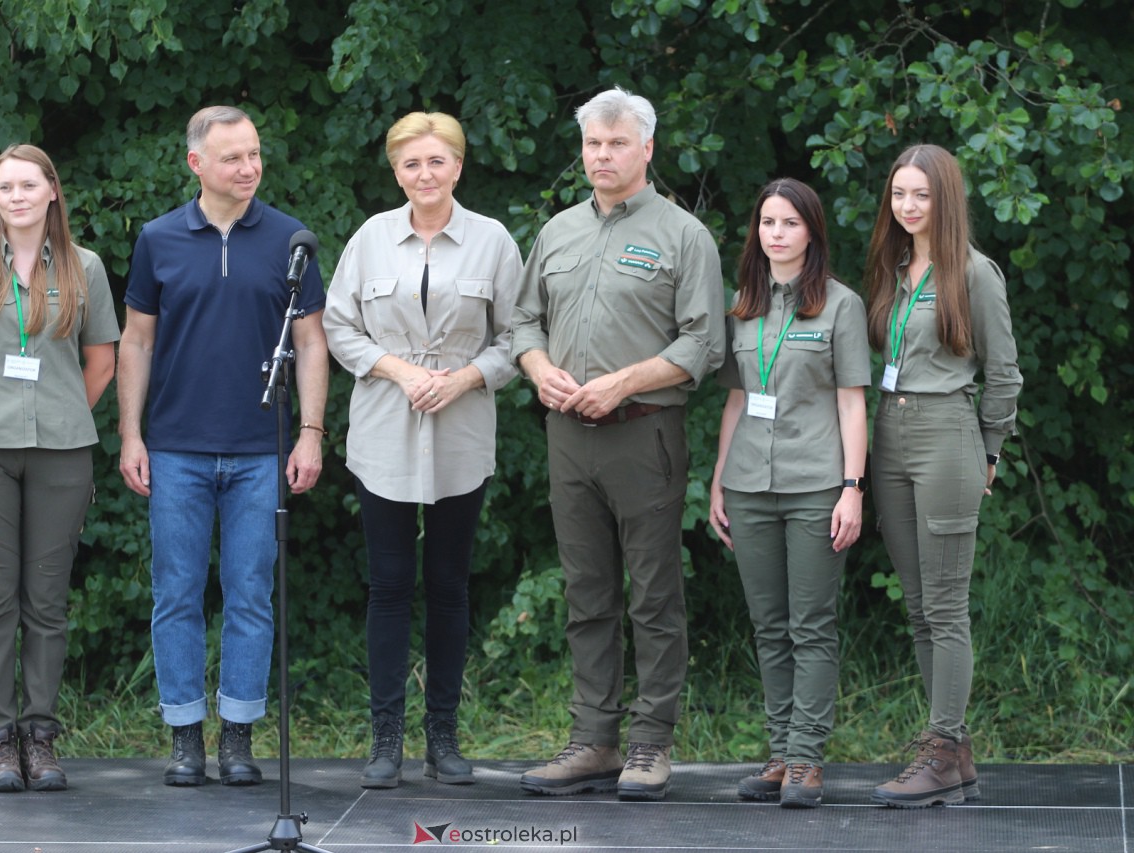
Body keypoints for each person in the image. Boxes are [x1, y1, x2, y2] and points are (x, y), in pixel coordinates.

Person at [511, 87, 726, 802]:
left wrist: (624, 382)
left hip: (644, 435)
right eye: (593, 144)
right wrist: (539, 370)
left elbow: (703, 342)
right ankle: (593, 740)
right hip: (568, 436)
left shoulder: (682, 236)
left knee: (654, 597)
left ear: (647, 149)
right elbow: (523, 323)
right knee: (586, 593)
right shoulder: (558, 231)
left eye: (616, 143)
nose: (601, 155)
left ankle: (650, 743)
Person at [117, 105, 329, 787]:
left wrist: (312, 432)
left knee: (250, 595)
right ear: (196, 164)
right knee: (176, 593)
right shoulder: (158, 239)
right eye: (233, 156)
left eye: (255, 153)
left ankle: (237, 733)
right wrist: (129, 433)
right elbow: (137, 340)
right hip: (176, 447)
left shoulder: (290, 239)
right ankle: (185, 735)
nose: (248, 167)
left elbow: (311, 341)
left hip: (260, 450)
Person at [323, 111, 521, 789]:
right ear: (395, 171)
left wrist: (465, 377)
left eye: (436, 162)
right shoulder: (372, 238)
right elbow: (338, 324)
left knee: (448, 584)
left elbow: (516, 337)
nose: (424, 174)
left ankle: (443, 736)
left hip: (463, 429)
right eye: (411, 164)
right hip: (384, 425)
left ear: (458, 166)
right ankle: (385, 739)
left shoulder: (493, 241)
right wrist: (399, 370)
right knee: (388, 585)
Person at [0, 144, 119, 793]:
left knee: (46, 600)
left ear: (52, 192)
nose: (16, 196)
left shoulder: (84, 266)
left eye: (28, 185)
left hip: (62, 454)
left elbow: (102, 363)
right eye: (5, 186)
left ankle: (40, 735)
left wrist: (58, 417)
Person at [864, 144, 1022, 807]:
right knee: (919, 606)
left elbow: (1004, 372)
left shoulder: (974, 273)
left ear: (945, 199)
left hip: (947, 435)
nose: (907, 206)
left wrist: (988, 449)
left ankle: (940, 743)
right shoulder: (895, 267)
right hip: (889, 436)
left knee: (947, 605)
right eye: (899, 193)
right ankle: (952, 756)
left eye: (921, 195)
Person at [708, 179, 870, 809]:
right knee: (768, 626)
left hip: (815, 486)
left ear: (812, 232)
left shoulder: (839, 305)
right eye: (767, 223)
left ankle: (807, 758)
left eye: (789, 224)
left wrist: (852, 489)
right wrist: (720, 478)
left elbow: (853, 404)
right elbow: (737, 399)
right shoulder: (742, 305)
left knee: (811, 625)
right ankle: (779, 754)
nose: (776, 234)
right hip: (748, 485)